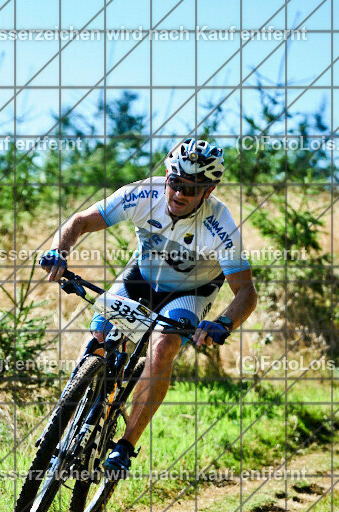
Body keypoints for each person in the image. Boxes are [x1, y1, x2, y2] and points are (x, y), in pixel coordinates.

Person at [39, 138, 258, 478]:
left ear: (209, 190)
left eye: (192, 188)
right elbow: (80, 221)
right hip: (141, 278)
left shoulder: (220, 225)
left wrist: (223, 323)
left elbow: (245, 291)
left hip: (190, 292)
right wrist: (59, 251)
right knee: (100, 336)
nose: (179, 193)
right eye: (175, 182)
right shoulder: (143, 194)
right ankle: (67, 414)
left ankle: (124, 447)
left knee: (164, 346)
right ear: (167, 176)